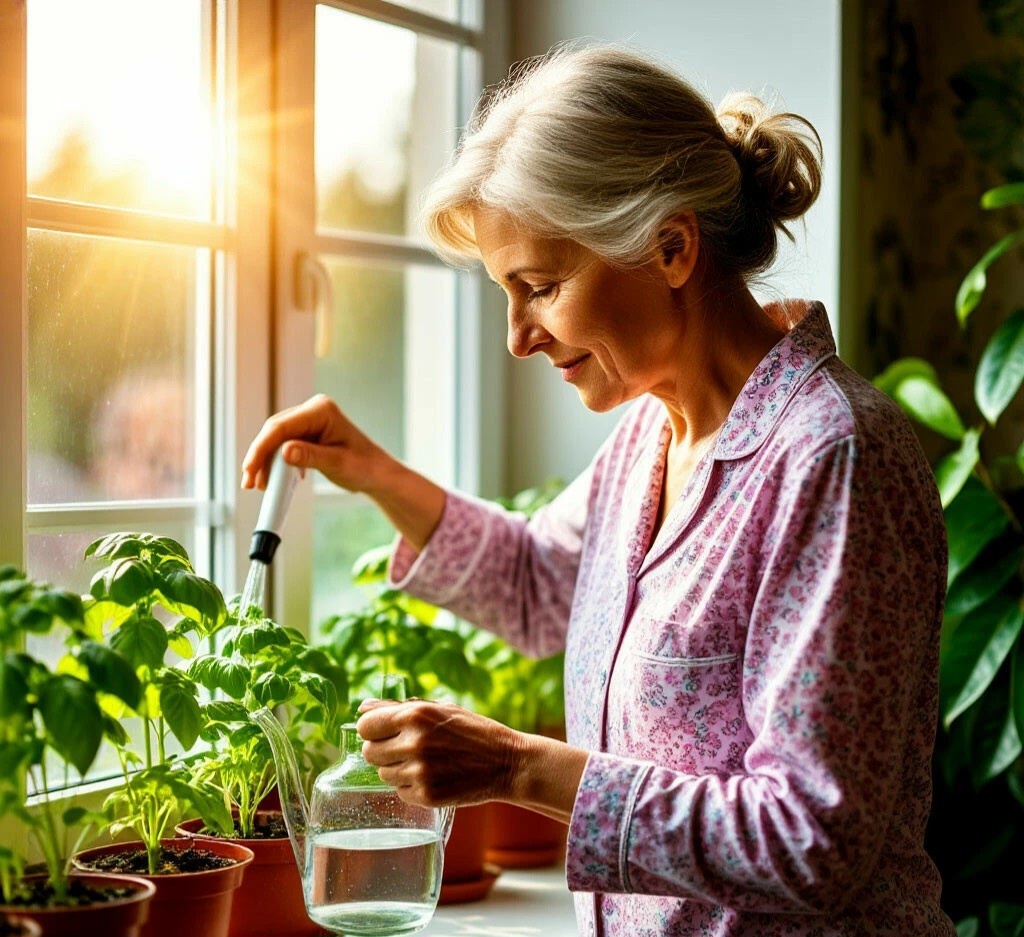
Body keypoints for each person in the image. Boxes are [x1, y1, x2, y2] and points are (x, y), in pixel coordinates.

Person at [242, 43, 955, 937]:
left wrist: (514, 767)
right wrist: (371, 470)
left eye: (537, 287)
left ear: (670, 247)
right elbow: (543, 582)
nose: (516, 337)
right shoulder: (651, 435)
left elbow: (809, 838)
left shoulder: (831, 455)